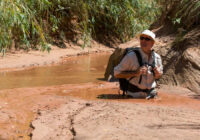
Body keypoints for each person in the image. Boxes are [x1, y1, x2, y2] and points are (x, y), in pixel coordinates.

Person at [114, 30, 163, 99]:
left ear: (153, 43)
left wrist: (158, 74)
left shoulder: (157, 58)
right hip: (134, 95)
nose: (143, 41)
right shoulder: (131, 56)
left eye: (147, 39)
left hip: (152, 94)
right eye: (142, 38)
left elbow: (159, 76)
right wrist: (135, 73)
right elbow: (116, 73)